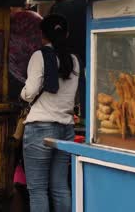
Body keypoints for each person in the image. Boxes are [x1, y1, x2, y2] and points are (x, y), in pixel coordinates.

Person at [20, 14, 79, 212]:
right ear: (67, 34)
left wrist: (22, 93)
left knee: (37, 190)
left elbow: (30, 92)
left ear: (42, 35)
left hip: (40, 129)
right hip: (66, 128)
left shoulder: (40, 56)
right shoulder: (74, 60)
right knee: (61, 188)